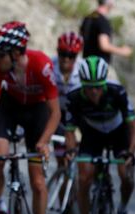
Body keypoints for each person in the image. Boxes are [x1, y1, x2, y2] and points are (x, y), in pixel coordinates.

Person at [0, 21, 61, 214]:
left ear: (14, 52)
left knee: (38, 182)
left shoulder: (41, 65)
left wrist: (44, 141)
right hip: (10, 108)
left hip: (37, 111)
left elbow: (55, 112)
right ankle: (2, 207)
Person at [64, 56, 135, 214]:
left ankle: (122, 211)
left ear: (104, 82)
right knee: (83, 178)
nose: (94, 91)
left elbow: (134, 126)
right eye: (89, 87)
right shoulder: (74, 96)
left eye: (98, 86)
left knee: (126, 176)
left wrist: (131, 152)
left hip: (118, 133)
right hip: (93, 134)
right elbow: (69, 131)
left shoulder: (117, 91)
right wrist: (70, 150)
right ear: (82, 84)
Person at [51, 31, 83, 166]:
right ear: (57, 52)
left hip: (79, 111)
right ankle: (63, 176)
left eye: (71, 55)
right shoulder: (49, 66)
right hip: (58, 113)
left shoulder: (83, 69)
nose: (66, 59)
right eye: (63, 54)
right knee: (62, 160)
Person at [80, 0, 132, 66]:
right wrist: (122, 51)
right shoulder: (103, 21)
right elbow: (104, 45)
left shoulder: (88, 18)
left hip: (86, 63)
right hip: (98, 66)